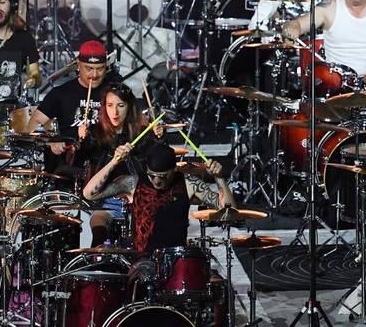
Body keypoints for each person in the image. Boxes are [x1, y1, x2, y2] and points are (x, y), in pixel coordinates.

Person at [82, 142, 233, 255]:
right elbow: (89, 194)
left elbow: (229, 212)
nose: (156, 181)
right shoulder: (134, 182)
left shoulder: (188, 183)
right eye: (152, 175)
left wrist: (219, 179)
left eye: (163, 176)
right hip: (141, 261)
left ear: (174, 169)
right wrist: (114, 161)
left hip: (175, 259)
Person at [75, 86, 162, 246]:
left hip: (137, 200)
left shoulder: (142, 133)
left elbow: (160, 164)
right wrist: (81, 141)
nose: (114, 112)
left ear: (129, 107)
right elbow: (78, 161)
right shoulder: (95, 133)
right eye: (110, 105)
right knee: (98, 233)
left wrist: (159, 139)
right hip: (105, 201)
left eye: (120, 105)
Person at [21, 40, 111, 174]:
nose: (94, 74)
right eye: (89, 68)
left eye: (100, 69)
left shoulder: (113, 92)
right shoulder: (61, 93)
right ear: (78, 65)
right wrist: (50, 141)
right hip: (70, 163)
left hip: (105, 161)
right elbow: (33, 124)